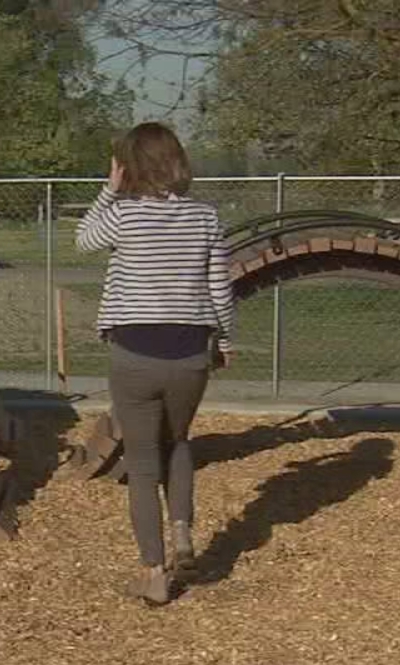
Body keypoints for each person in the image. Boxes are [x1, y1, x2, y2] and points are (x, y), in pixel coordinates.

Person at [75, 122, 235, 607]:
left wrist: (109, 190)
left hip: (134, 352)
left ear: (129, 167)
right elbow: (219, 287)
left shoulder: (123, 216)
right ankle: (182, 533)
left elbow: (83, 239)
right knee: (179, 440)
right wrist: (224, 339)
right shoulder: (206, 217)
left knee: (143, 464)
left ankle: (153, 573)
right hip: (190, 351)